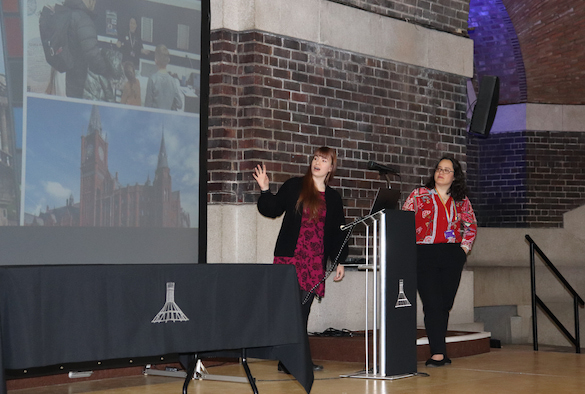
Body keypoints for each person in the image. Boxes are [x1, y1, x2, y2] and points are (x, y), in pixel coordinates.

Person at [253, 146, 348, 372]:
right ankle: (292, 359)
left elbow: (338, 233)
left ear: (331, 167)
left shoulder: (333, 198)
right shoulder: (295, 186)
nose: (317, 162)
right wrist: (265, 190)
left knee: (303, 310)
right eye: (315, 158)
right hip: (290, 258)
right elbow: (273, 209)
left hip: (314, 262)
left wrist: (339, 260)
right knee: (291, 309)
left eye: (323, 160)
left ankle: (291, 359)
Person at [402, 156, 477, 367]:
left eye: (446, 170)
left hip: (452, 254)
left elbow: (471, 226)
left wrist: (464, 250)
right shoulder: (419, 195)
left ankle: (440, 350)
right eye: (439, 169)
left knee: (445, 304)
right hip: (424, 254)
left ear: (455, 176)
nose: (441, 173)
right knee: (433, 304)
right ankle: (438, 353)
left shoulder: (460, 199)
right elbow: (403, 222)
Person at [63, 0, 112, 98]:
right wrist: (106, 71)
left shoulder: (69, 13)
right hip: (82, 79)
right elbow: (92, 54)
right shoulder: (83, 19)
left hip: (70, 75)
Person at [144, 44, 183, 111]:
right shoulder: (173, 81)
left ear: (156, 60)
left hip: (154, 119)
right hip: (167, 120)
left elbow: (147, 105)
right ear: (168, 60)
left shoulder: (152, 79)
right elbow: (179, 104)